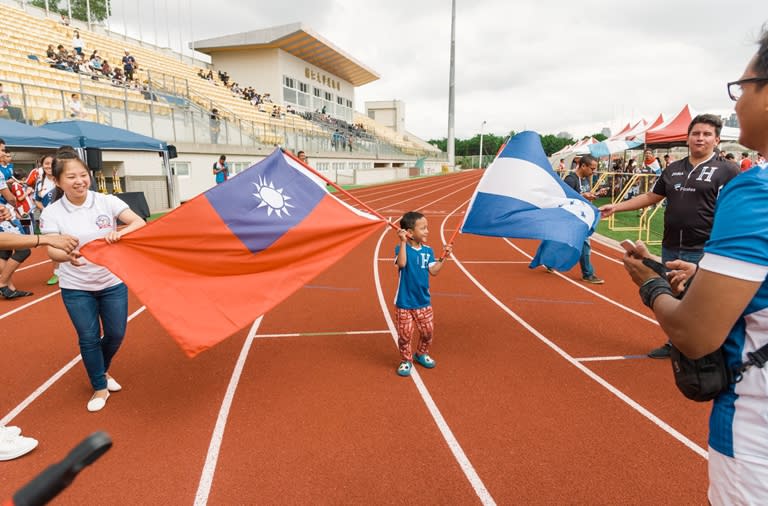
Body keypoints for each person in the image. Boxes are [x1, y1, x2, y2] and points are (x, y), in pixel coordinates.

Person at [622, 27, 768, 503]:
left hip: (754, 432)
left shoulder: (752, 187)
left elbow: (696, 333)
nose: (737, 103)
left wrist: (649, 283)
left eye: (741, 89)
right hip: (704, 260)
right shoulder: (676, 168)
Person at [600, 114, 740, 358]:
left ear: (717, 140)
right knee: (674, 296)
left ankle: (706, 349)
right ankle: (676, 343)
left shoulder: (728, 171)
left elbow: (737, 210)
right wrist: (616, 206)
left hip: (705, 248)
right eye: (696, 133)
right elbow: (651, 197)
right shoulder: (673, 169)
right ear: (687, 138)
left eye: (707, 134)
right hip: (671, 245)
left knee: (702, 301)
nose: (700, 138)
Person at [40, 149, 145, 412]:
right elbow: (51, 249)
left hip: (111, 281)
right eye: (71, 177)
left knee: (116, 334)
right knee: (88, 337)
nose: (79, 181)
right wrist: (66, 255)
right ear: (57, 181)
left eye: (83, 175)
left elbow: (139, 222)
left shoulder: (106, 201)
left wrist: (120, 233)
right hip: (76, 286)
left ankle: (102, 369)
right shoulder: (52, 213)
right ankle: (99, 385)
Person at [393, 211, 452, 377]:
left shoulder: (428, 251)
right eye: (423, 228)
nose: (427, 231)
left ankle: (421, 353)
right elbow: (402, 264)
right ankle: (406, 359)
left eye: (427, 228)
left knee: (427, 332)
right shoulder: (400, 248)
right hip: (404, 302)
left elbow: (434, 271)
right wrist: (403, 242)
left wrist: (444, 257)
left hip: (423, 301)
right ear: (410, 232)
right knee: (405, 335)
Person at [556, 154, 606, 283]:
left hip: (582, 217)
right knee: (584, 243)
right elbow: (564, 199)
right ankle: (588, 274)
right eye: (592, 168)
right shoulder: (570, 179)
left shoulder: (584, 180)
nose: (593, 172)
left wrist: (596, 195)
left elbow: (583, 197)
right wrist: (582, 196)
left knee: (561, 242)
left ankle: (549, 260)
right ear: (583, 165)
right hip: (573, 218)